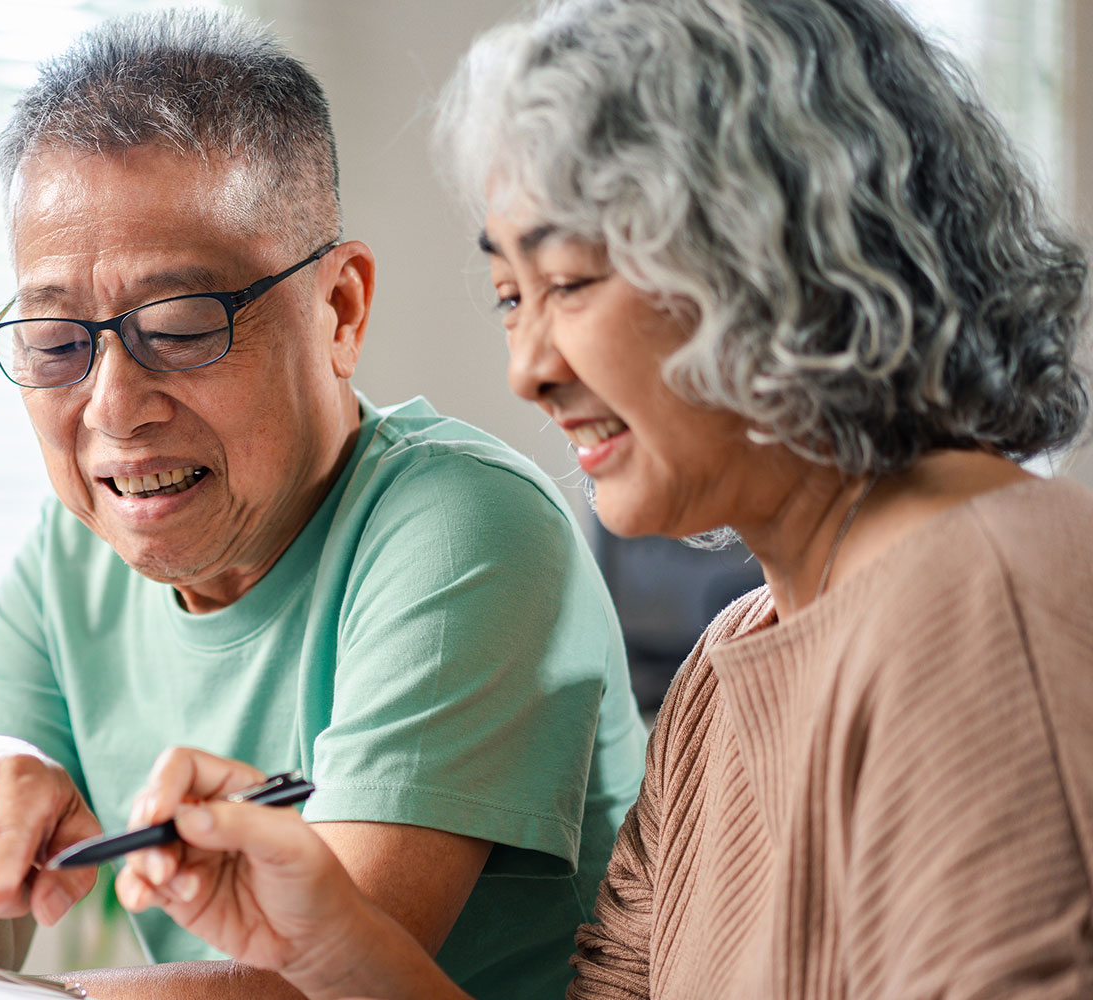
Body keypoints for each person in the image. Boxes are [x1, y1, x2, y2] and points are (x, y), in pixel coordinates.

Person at [0, 9, 648, 1000]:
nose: (112, 407)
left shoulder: (460, 527)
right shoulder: (70, 557)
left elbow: (309, 983)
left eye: (183, 325)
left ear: (339, 308)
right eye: (55, 344)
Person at [114, 0, 1093, 997]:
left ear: (776, 257)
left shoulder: (986, 599)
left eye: (568, 281)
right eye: (509, 297)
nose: (525, 371)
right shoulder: (721, 671)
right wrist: (323, 936)